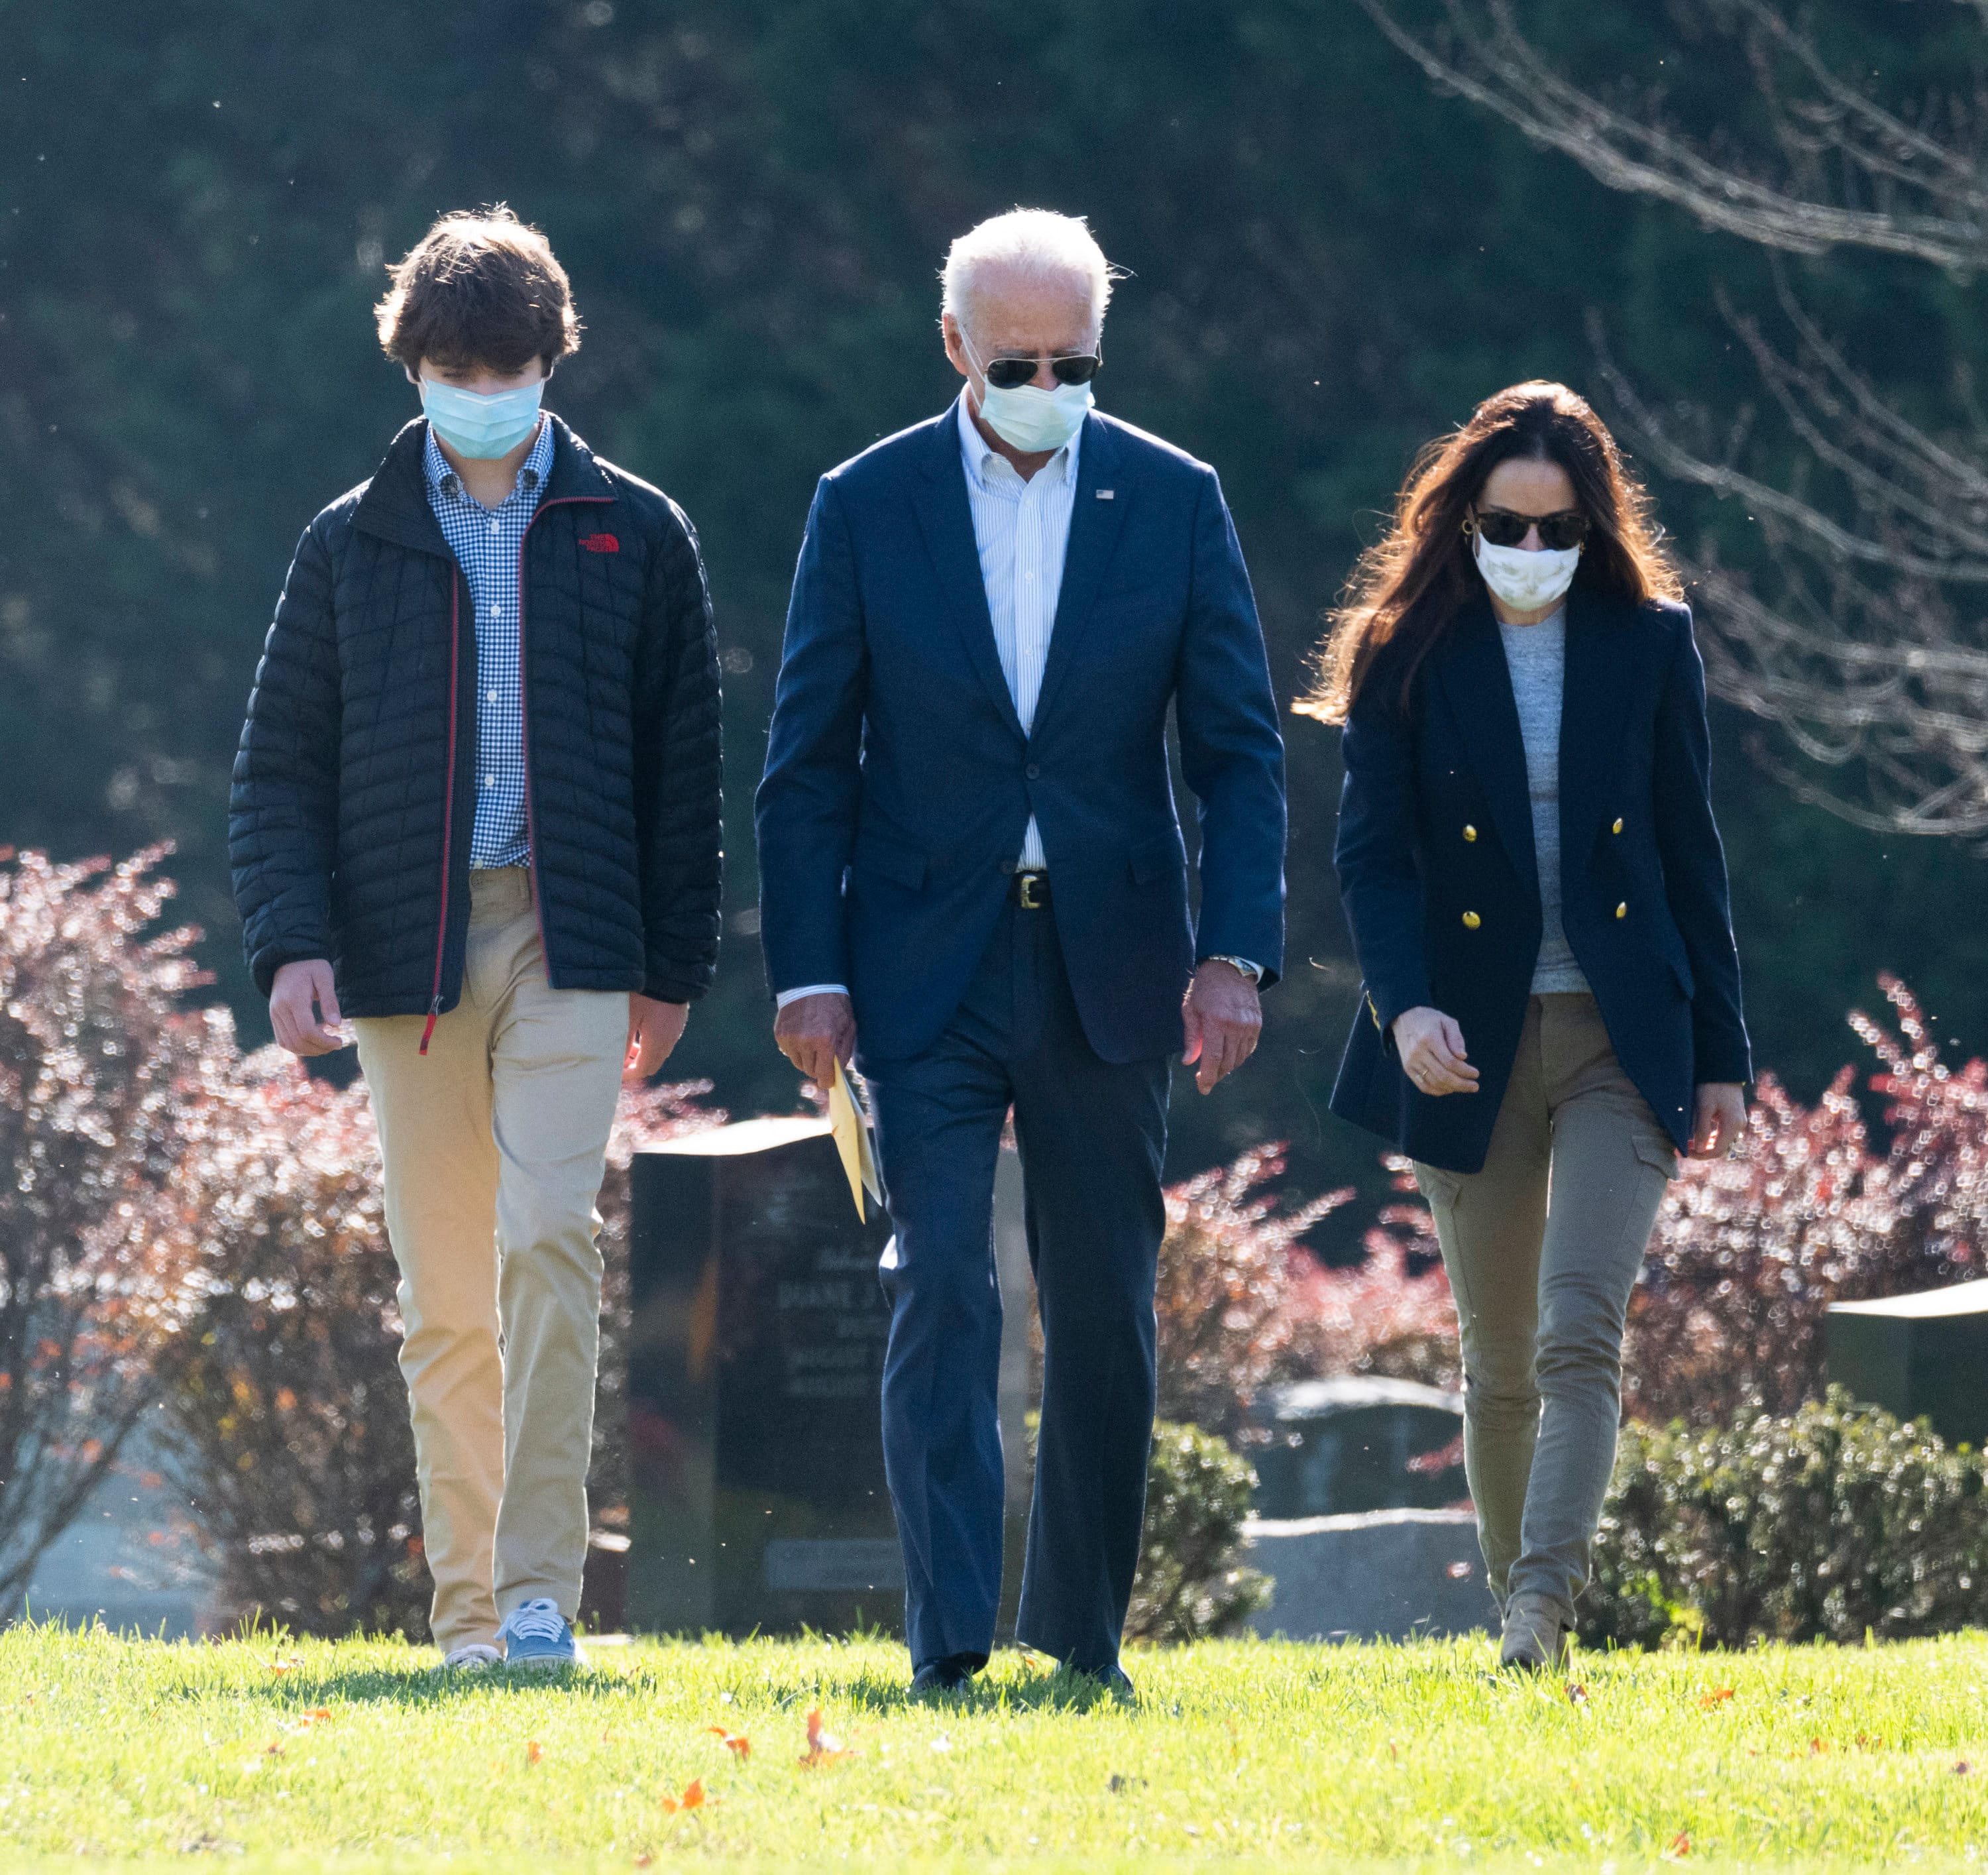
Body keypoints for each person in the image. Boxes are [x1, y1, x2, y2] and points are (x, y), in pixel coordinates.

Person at [755, 209, 1287, 1697]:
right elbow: (808, 762)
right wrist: (808, 971)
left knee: (1106, 1300)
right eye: (1019, 359)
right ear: (954, 349)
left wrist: (1237, 951)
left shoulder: (1175, 500)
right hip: (922, 956)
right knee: (940, 1283)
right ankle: (949, 1637)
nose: (1049, 381)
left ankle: (1082, 1635)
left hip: (1113, 960)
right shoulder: (866, 504)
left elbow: (1240, 753)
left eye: (1076, 359)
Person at [229, 207, 723, 1672]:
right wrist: (290, 942)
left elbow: (683, 762)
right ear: (416, 367)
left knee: (546, 1245)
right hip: (407, 955)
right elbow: (277, 767)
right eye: (457, 363)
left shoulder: (640, 530)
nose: (485, 386)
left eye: (509, 363)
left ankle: (537, 1601)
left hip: (575, 945)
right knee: (445, 1295)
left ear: (552, 360)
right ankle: (461, 1619)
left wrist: (673, 966)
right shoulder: (348, 542)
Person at [1307, 380, 1749, 1670]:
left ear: (1597, 529)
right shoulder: (1407, 649)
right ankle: (1524, 1625)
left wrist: (1720, 1053)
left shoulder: (1652, 641)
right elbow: (1374, 858)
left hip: (1624, 1033)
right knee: (1499, 1359)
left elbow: (1689, 851)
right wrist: (1407, 1007)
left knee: (1579, 1328)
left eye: (1563, 529)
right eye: (1511, 523)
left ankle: (1540, 1611)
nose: (1536, 552)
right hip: (1467, 1037)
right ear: (1463, 520)